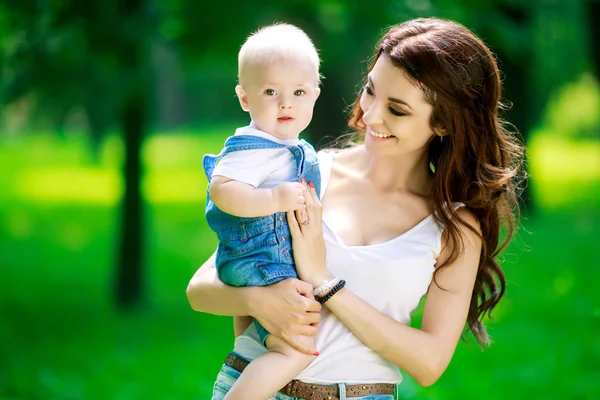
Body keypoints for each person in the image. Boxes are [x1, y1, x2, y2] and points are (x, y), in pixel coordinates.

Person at [188, 17, 524, 400]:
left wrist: (324, 282)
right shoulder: (307, 173)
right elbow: (200, 289)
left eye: (397, 110)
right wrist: (258, 300)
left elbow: (429, 363)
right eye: (370, 91)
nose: (371, 115)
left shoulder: (453, 226)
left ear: (444, 124)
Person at [201, 23, 323, 400]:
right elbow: (221, 191)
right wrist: (273, 201)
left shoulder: (290, 144)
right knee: (294, 348)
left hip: (261, 258)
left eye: (298, 92)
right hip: (262, 260)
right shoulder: (253, 147)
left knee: (253, 338)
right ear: (245, 98)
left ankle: (246, 360)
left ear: (315, 95)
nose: (286, 103)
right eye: (271, 92)